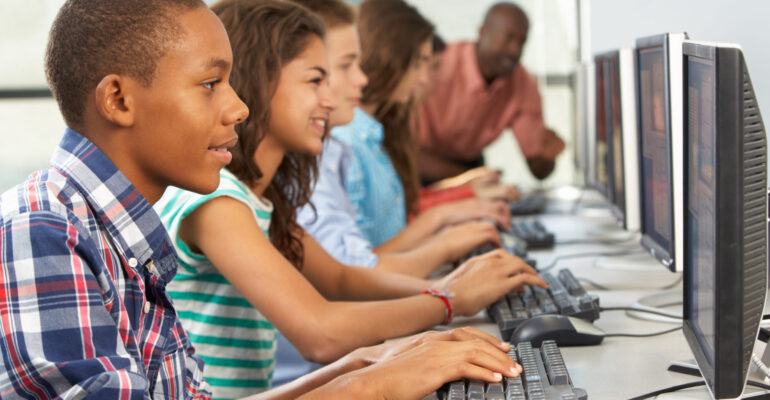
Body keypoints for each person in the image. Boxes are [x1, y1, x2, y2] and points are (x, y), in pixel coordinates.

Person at [155, 0, 545, 398]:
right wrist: (449, 300)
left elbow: (342, 278)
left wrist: (443, 289)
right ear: (261, 80)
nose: (330, 98)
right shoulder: (217, 202)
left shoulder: (261, 201)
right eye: (315, 81)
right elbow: (319, 333)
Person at [0, 0, 248, 397]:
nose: (239, 108)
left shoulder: (127, 245)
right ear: (118, 100)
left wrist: (350, 376)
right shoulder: (44, 229)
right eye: (210, 84)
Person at [416, 2, 566, 183]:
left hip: (471, 166)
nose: (515, 50)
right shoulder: (437, 66)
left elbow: (538, 170)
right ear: (483, 32)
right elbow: (404, 153)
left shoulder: (523, 83)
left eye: (522, 42)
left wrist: (547, 156)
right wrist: (473, 178)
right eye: (508, 38)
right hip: (420, 163)